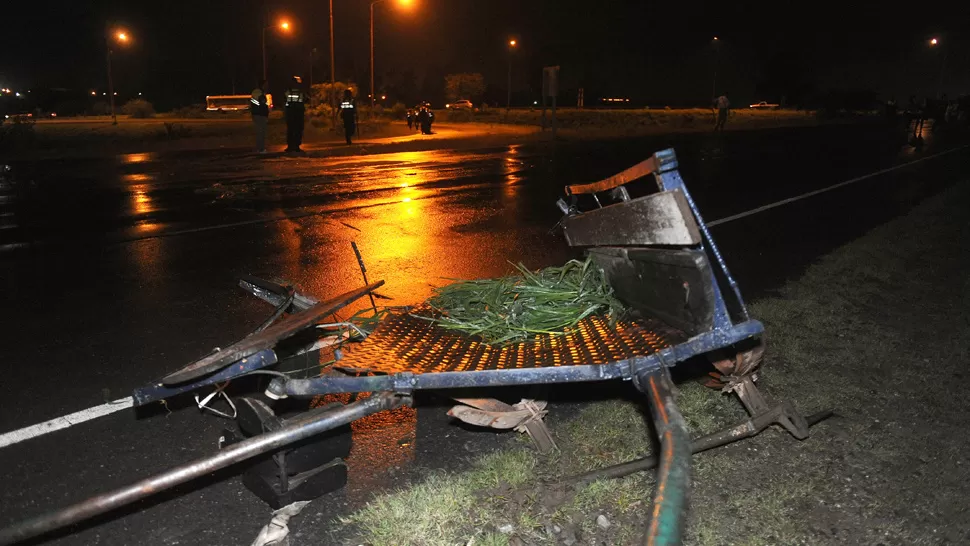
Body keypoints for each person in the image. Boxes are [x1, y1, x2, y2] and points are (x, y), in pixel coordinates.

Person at [284, 76, 307, 153]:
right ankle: (297, 146)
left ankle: (290, 146)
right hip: (298, 113)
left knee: (290, 129)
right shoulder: (300, 92)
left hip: (290, 113)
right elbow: (304, 100)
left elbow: (284, 101)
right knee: (298, 130)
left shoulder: (288, 91)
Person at [250, 80, 270, 153]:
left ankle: (261, 148)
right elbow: (262, 102)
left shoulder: (259, 92)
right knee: (260, 132)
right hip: (259, 114)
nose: (267, 87)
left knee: (261, 132)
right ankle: (260, 148)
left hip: (259, 114)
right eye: (266, 85)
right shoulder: (258, 92)